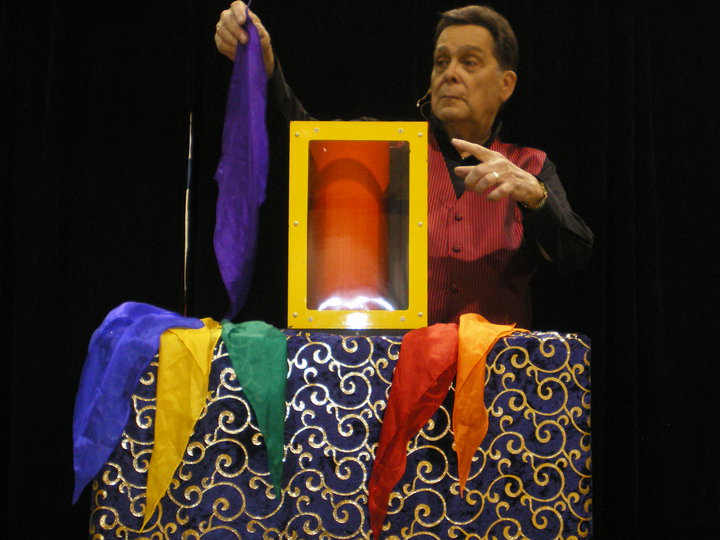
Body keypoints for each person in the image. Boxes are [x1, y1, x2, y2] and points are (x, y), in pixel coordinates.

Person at [214, 2, 593, 328]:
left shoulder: (530, 165)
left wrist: (535, 195)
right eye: (441, 62)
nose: (450, 73)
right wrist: (263, 66)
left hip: (493, 378)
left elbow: (575, 256)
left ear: (505, 84)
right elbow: (306, 140)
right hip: (400, 374)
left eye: (469, 62)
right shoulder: (390, 149)